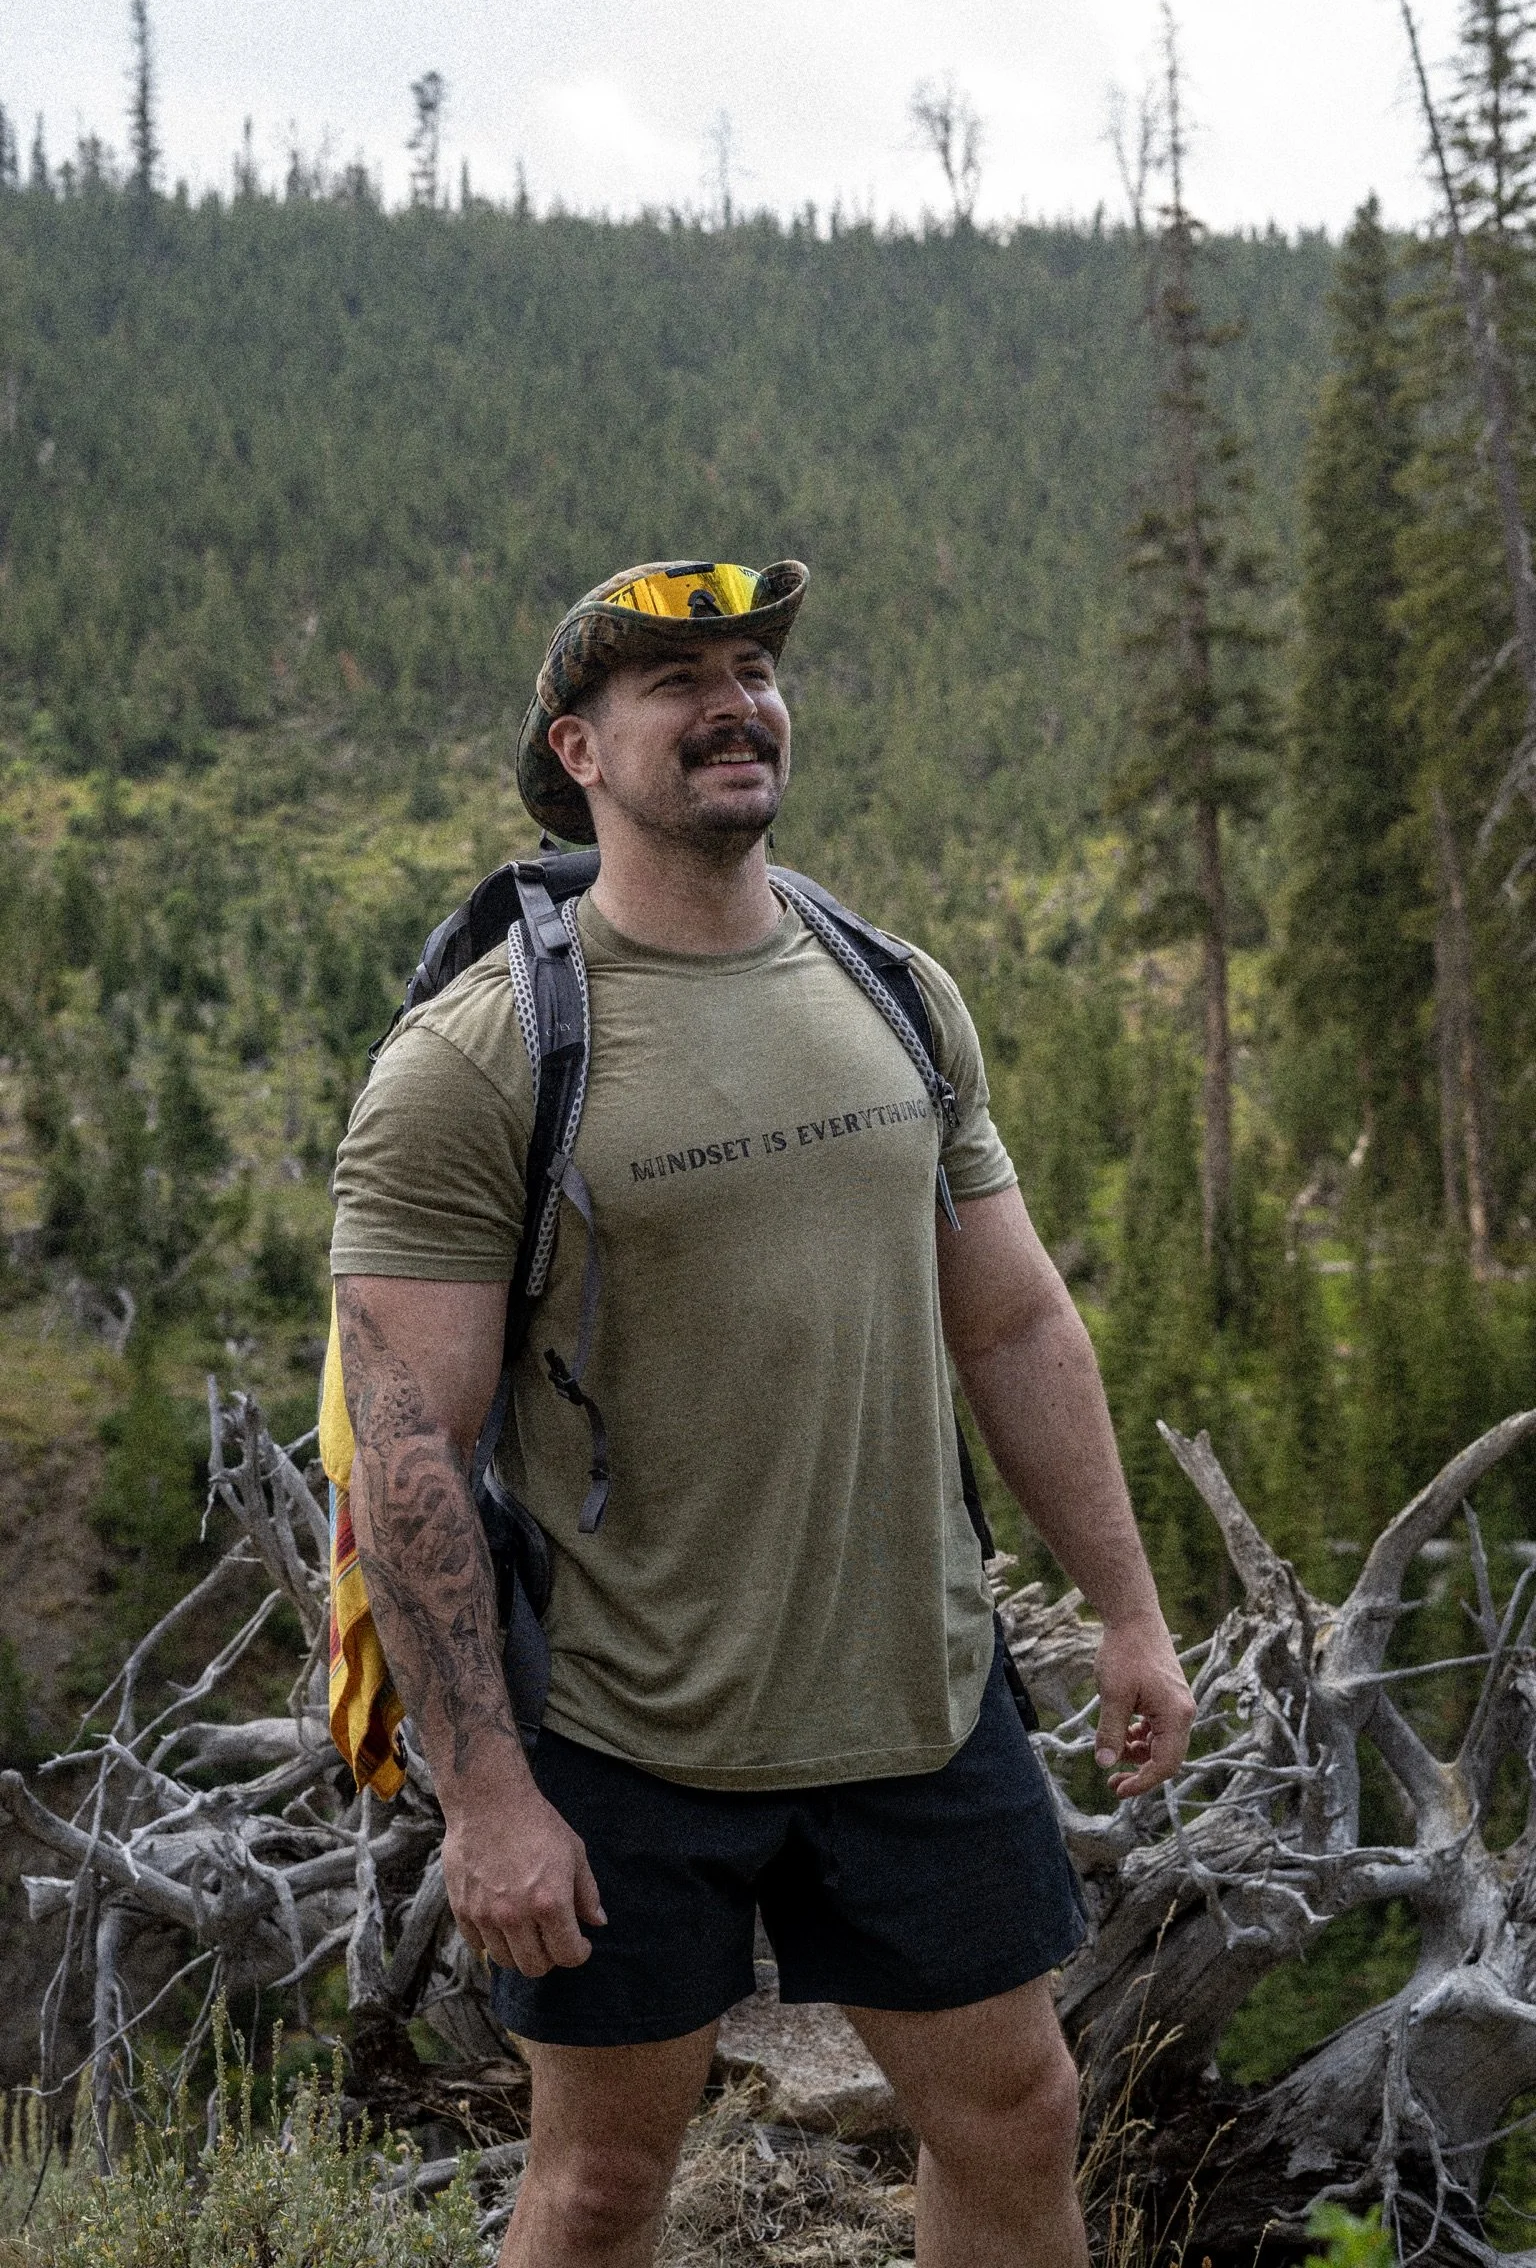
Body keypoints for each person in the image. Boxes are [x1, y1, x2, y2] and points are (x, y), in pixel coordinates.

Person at [330, 557, 1196, 2268]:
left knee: (1017, 2118)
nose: (738, 702)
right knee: (598, 2188)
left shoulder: (892, 988)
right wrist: (486, 1792)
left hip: (920, 1702)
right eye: (678, 683)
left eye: (755, 669)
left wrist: (1129, 1610)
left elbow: (1015, 1321)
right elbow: (405, 1449)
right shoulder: (480, 1055)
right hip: (624, 1736)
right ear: (577, 750)